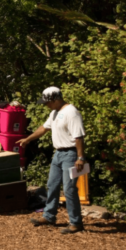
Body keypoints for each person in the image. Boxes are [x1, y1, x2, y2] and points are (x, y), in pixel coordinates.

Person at [17, 86, 87, 234]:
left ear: (56, 99)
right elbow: (43, 128)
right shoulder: (55, 112)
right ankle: (49, 216)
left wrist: (80, 158)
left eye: (47, 102)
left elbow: (79, 137)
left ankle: (76, 223)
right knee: (52, 185)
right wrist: (28, 139)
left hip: (71, 155)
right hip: (58, 154)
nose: (46, 105)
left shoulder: (71, 113)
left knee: (69, 189)